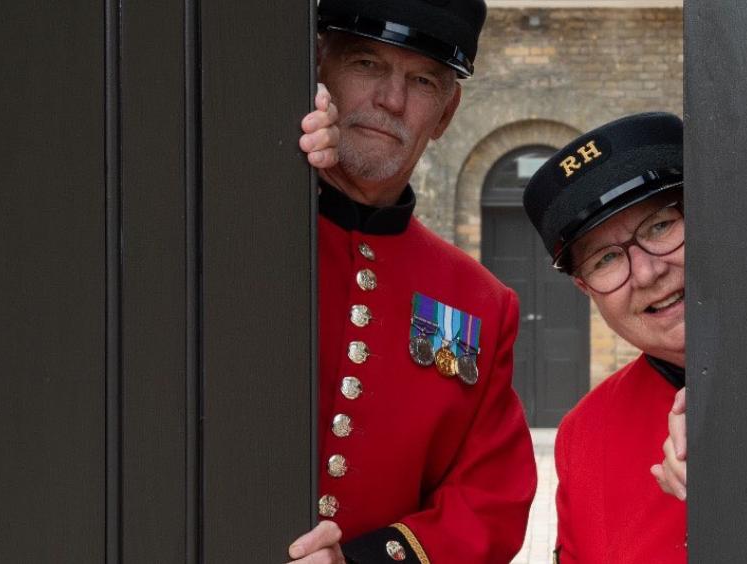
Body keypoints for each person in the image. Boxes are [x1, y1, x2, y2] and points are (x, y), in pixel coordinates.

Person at [290, 1, 537, 562]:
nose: (391, 101)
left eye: (421, 80)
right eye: (367, 65)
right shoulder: (237, 228)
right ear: (319, 67)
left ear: (447, 115)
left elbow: (490, 496)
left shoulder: (479, 301)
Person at [522, 112, 689, 563]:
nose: (648, 272)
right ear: (584, 287)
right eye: (606, 259)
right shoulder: (584, 434)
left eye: (660, 226)